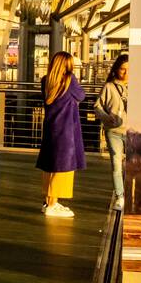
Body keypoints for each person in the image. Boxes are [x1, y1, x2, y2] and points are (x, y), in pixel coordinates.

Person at [37, 51, 86, 218]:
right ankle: (52, 205)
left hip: (51, 127)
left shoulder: (46, 81)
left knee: (50, 165)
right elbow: (81, 95)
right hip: (66, 129)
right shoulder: (70, 80)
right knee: (62, 168)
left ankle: (49, 202)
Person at [95, 53, 128, 210]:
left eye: (129, 70)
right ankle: (120, 196)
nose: (126, 73)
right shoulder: (109, 87)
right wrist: (106, 117)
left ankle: (130, 194)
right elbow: (97, 107)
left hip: (132, 132)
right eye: (122, 69)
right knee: (116, 163)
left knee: (134, 165)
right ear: (116, 70)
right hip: (113, 130)